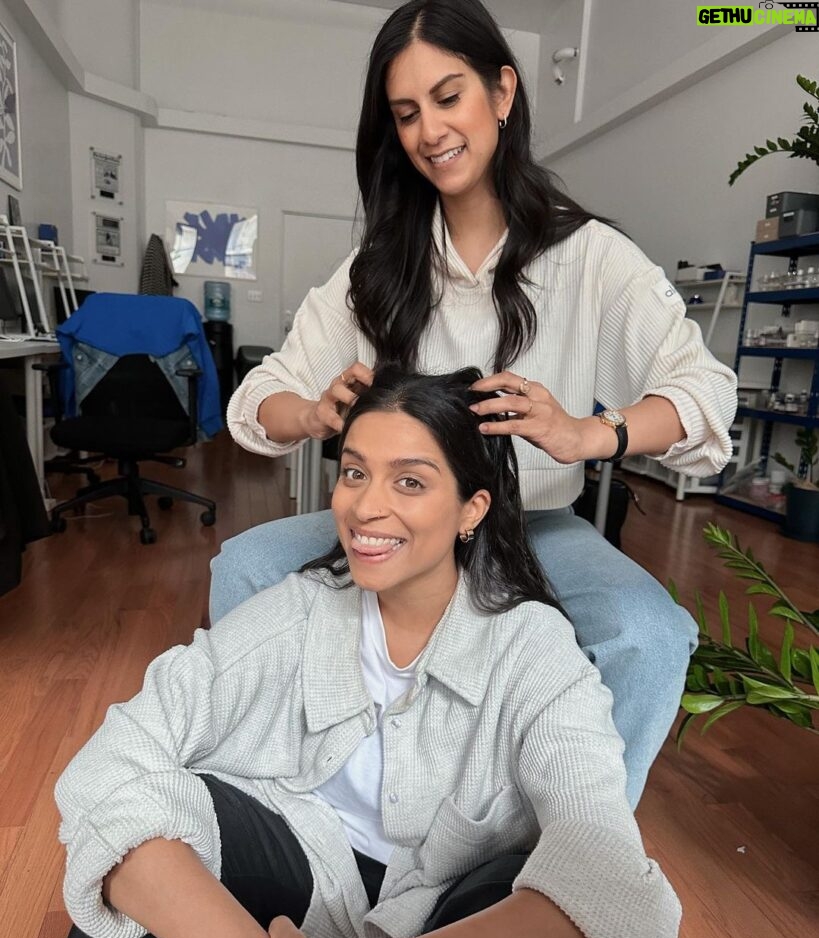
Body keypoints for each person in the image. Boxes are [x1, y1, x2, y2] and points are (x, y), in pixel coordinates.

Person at [214, 0, 737, 817]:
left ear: (501, 92)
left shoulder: (589, 256)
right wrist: (316, 414)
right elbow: (258, 400)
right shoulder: (376, 268)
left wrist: (589, 433)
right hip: (395, 525)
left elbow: (703, 391)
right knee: (242, 567)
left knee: (649, 634)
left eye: (448, 97)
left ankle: (577, 850)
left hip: (532, 524)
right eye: (406, 113)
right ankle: (279, 800)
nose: (429, 131)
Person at [49, 368, 681, 938]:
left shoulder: (533, 648)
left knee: (564, 905)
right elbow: (110, 764)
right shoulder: (298, 611)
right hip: (307, 869)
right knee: (136, 830)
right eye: (354, 472)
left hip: (450, 909)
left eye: (409, 480)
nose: (365, 506)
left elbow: (607, 875)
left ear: (473, 508)